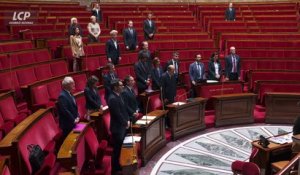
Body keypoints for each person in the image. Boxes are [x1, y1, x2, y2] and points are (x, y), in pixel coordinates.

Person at [108, 79, 129, 175]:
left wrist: (127, 120)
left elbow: (123, 110)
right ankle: (114, 170)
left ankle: (118, 166)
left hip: (122, 126)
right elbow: (117, 114)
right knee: (116, 150)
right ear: (115, 87)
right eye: (120, 85)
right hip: (117, 128)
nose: (122, 86)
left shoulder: (119, 95)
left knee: (120, 148)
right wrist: (125, 122)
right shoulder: (112, 98)